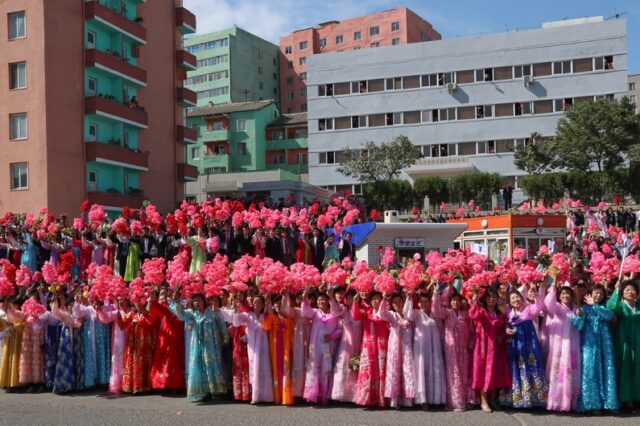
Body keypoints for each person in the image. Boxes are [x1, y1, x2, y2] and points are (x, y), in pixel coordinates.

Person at [499, 282, 549, 409]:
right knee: (515, 368)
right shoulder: (508, 313)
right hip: (514, 346)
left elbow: (539, 304)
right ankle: (515, 398)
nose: (516, 299)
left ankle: (534, 398)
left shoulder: (529, 310)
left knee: (531, 366)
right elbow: (503, 324)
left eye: (518, 297)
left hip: (529, 346)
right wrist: (506, 329)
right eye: (513, 298)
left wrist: (540, 287)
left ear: (522, 299)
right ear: (509, 302)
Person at [170, 290, 227, 401]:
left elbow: (222, 325)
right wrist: (176, 301)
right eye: (194, 300)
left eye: (199, 300)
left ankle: (217, 391)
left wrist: (224, 338)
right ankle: (203, 392)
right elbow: (181, 314)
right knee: (199, 366)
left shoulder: (212, 312)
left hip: (213, 346)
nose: (197, 302)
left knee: (213, 365)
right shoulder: (192, 314)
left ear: (204, 301)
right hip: (198, 345)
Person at [572, 285, 618, 413]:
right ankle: (593, 404)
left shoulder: (604, 308)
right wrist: (579, 315)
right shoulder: (585, 309)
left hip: (605, 345)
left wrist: (595, 306)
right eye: (596, 293)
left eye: (601, 294)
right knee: (590, 371)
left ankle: (609, 403)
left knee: (606, 370)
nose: (598, 296)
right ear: (590, 294)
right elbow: (577, 325)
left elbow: (609, 316)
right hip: (589, 345)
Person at [469, 287, 511, 412]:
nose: (492, 299)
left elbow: (503, 327)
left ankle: (493, 399)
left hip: (497, 346)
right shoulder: (481, 310)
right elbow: (473, 315)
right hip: (484, 345)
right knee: (483, 372)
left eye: (494, 297)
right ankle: (484, 400)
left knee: (495, 372)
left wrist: (502, 335)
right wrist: (474, 301)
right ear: (485, 299)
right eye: (489, 297)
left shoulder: (499, 312)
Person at [432, 287, 473, 411]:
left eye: (458, 300)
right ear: (450, 302)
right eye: (453, 300)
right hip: (451, 349)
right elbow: (436, 310)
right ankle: (454, 402)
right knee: (453, 374)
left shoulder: (466, 314)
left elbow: (472, 331)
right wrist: (436, 294)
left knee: (465, 373)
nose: (456, 302)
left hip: (464, 349)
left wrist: (471, 344)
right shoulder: (447, 313)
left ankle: (467, 400)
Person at [543, 282, 581, 412]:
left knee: (573, 371)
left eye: (568, 293)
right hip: (559, 347)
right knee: (559, 372)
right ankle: (557, 401)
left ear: (572, 295)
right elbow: (548, 303)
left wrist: (580, 315)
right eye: (563, 293)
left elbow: (580, 326)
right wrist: (553, 285)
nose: (565, 295)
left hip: (573, 347)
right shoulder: (558, 308)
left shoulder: (576, 308)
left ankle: (571, 401)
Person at [301, 289, 340, 405]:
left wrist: (332, 336)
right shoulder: (315, 312)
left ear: (328, 301)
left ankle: (325, 396)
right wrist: (304, 299)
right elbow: (305, 312)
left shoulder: (334, 314)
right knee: (314, 368)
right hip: (316, 346)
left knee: (326, 369)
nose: (321, 301)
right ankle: (312, 395)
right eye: (319, 299)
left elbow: (340, 329)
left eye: (323, 299)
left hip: (329, 346)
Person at [606, 280, 640, 410]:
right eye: (627, 290)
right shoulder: (619, 306)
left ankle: (637, 396)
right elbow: (610, 307)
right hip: (623, 339)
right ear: (623, 293)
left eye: (633, 290)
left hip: (637, 340)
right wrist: (616, 291)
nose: (631, 292)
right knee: (625, 367)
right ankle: (627, 399)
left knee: (637, 367)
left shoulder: (639, 305)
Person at [352, 292, 389, 408]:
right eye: (373, 299)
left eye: (377, 299)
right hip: (368, 345)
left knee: (381, 369)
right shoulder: (367, 312)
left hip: (381, 344)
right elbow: (356, 315)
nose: (374, 301)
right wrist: (355, 302)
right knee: (368, 369)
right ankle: (366, 398)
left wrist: (385, 299)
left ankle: (381, 399)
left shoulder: (386, 313)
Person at [379, 292, 416, 408]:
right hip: (394, 348)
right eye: (394, 303)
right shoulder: (392, 315)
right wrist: (384, 299)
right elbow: (382, 313)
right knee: (394, 371)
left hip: (407, 347)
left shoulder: (409, 315)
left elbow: (410, 308)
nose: (397, 304)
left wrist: (409, 296)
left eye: (399, 301)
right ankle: (394, 401)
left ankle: (408, 400)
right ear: (392, 305)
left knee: (407, 371)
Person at [262, 292, 295, 405]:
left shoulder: (289, 319)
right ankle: (277, 396)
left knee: (286, 370)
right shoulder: (272, 316)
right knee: (277, 371)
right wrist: (268, 310)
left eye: (280, 303)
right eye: (276, 303)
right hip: (275, 349)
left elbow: (292, 332)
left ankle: (286, 397)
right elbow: (266, 327)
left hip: (286, 349)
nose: (278, 305)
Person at [329, 288, 362, 403]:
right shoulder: (344, 310)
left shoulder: (360, 310)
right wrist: (332, 297)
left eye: (351, 297)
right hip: (346, 343)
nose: (349, 300)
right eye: (347, 298)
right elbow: (334, 311)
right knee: (343, 365)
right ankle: (340, 393)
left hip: (357, 341)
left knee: (355, 366)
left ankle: (354, 395)